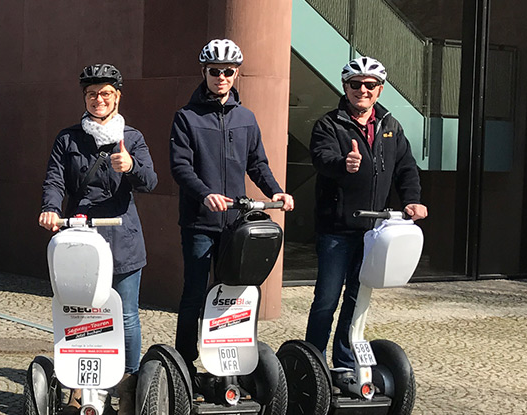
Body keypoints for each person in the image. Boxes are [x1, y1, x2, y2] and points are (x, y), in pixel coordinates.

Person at [38, 63, 157, 415]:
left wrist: (130, 166)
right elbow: (55, 180)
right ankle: (79, 383)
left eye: (106, 93)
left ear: (117, 96)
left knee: (127, 316)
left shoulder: (131, 138)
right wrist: (49, 208)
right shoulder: (68, 138)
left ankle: (128, 386)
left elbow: (150, 181)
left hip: (122, 236)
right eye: (92, 94)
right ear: (84, 98)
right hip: (80, 237)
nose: (98, 99)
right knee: (80, 312)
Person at [169, 39, 295, 364]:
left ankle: (227, 356)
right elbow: (180, 166)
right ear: (204, 72)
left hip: (235, 225)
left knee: (234, 294)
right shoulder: (186, 117)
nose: (221, 77)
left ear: (236, 73)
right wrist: (205, 194)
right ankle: (184, 362)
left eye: (228, 71)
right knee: (195, 294)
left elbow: (258, 163)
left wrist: (275, 191)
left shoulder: (247, 118)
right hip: (200, 222)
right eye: (215, 71)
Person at [306, 56, 426, 373]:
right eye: (356, 84)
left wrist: (412, 200)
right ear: (345, 88)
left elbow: (406, 169)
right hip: (336, 229)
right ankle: (312, 364)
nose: (363, 90)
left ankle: (345, 363)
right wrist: (342, 165)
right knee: (326, 300)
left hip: (373, 233)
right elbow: (321, 157)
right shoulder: (329, 125)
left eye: (370, 85)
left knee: (357, 301)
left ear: (380, 90)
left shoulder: (390, 127)